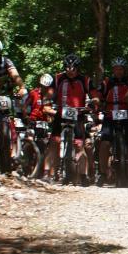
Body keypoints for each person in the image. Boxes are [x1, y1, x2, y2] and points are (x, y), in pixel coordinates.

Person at [50, 53, 91, 184]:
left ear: (77, 68)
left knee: (79, 144)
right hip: (61, 113)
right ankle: (52, 173)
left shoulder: (84, 80)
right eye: (67, 68)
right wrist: (47, 100)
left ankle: (83, 176)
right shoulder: (58, 79)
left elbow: (94, 93)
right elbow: (50, 93)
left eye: (72, 69)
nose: (70, 71)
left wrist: (94, 101)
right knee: (54, 141)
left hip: (77, 114)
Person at [97, 57, 128, 185]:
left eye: (121, 69)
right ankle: (102, 173)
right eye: (116, 69)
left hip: (127, 115)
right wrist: (98, 104)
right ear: (113, 70)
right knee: (104, 143)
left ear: (124, 70)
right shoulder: (107, 82)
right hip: (110, 115)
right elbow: (99, 96)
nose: (118, 71)